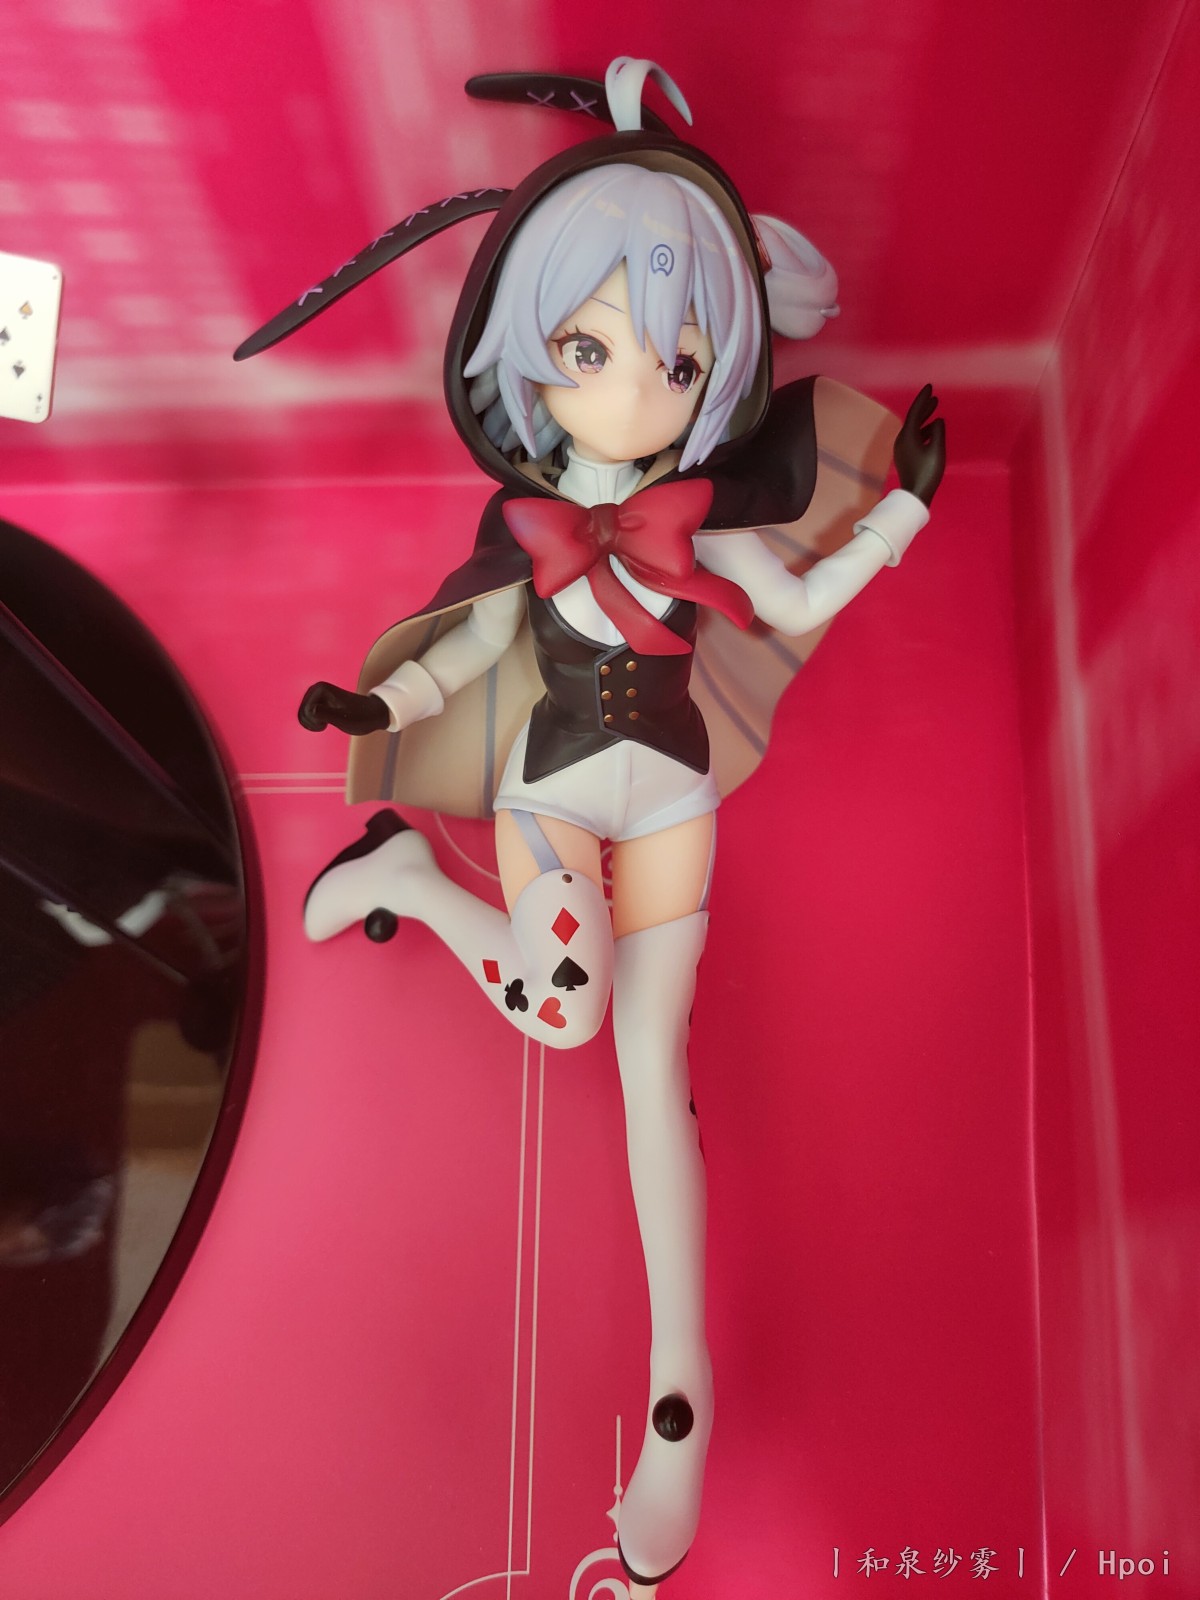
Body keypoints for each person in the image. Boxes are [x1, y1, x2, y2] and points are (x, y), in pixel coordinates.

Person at [239, 56, 945, 1594]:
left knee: (653, 1077)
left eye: (678, 360)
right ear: (526, 353)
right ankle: (420, 884)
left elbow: (800, 599)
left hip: (674, 793)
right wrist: (376, 704)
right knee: (569, 1014)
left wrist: (901, 510)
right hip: (551, 790)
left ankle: (678, 1407)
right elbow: (467, 652)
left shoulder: (703, 525)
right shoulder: (533, 526)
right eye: (590, 345)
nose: (634, 390)